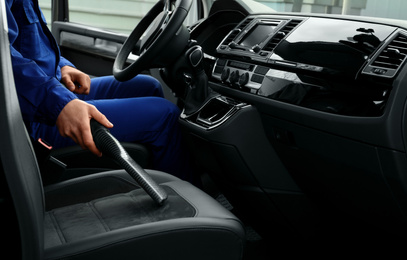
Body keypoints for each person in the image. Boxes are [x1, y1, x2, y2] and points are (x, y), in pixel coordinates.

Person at [5, 0, 196, 183]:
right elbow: (4, 62)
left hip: (44, 88)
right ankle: (189, 204)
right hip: (29, 121)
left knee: (147, 85)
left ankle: (151, 174)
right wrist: (58, 103)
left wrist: (61, 67)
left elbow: (27, 43)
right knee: (165, 116)